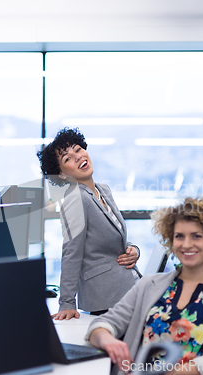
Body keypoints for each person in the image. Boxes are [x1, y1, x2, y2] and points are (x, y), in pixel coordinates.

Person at [86, 197, 203, 375]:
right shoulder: (149, 284)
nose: (186, 244)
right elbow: (104, 323)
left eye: (196, 236)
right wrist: (106, 339)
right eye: (179, 236)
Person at [37, 127, 141, 320]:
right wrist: (67, 303)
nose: (77, 157)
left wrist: (133, 250)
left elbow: (112, 238)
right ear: (61, 174)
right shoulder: (75, 199)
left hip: (126, 288)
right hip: (106, 299)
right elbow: (71, 252)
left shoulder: (103, 190)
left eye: (77, 149)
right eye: (67, 158)